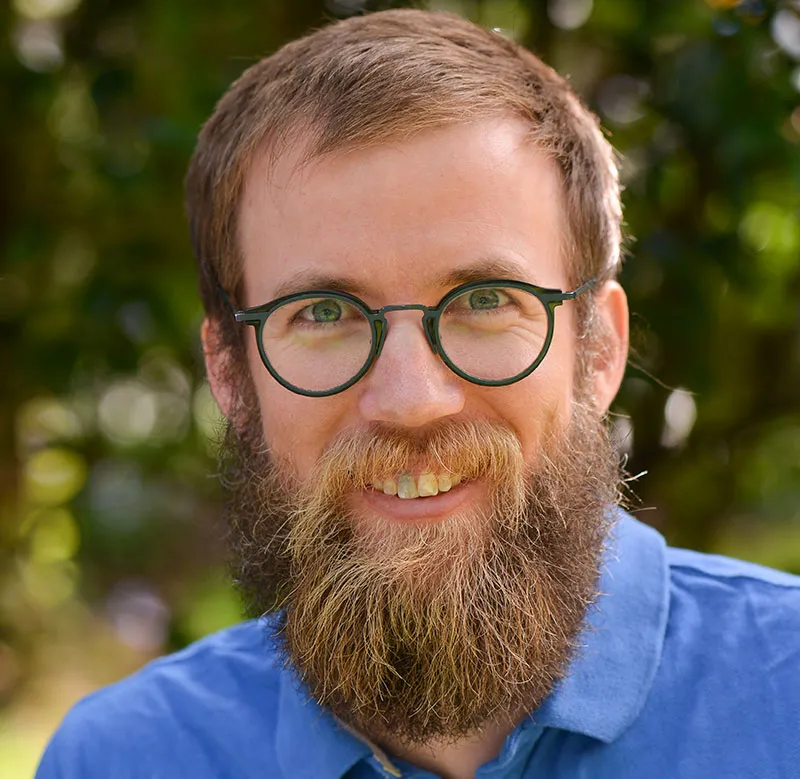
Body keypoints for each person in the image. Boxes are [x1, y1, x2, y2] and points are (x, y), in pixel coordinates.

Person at [36, 9, 800, 779]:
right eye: (324, 313)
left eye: (484, 300)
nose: (410, 399)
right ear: (231, 373)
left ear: (597, 350)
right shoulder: (121, 758)